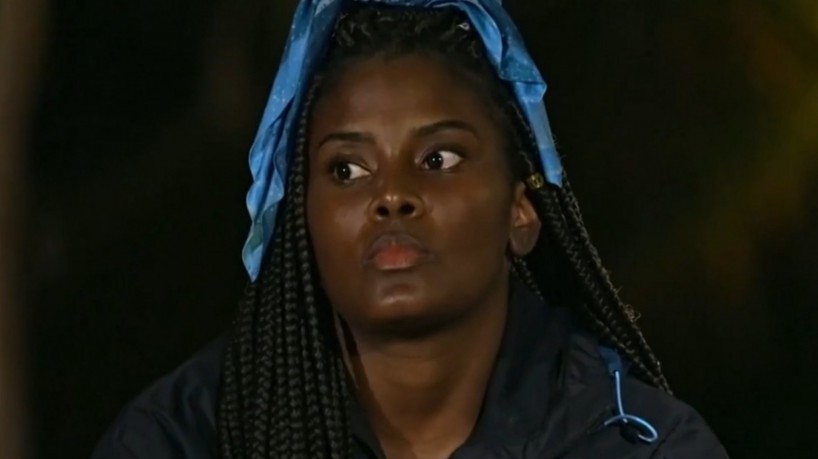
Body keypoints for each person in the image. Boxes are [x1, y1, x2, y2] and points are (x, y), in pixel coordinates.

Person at [92, 1, 728, 458]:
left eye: (439, 159)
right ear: (300, 221)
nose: (392, 195)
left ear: (521, 212)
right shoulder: (181, 438)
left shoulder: (640, 443)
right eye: (347, 169)